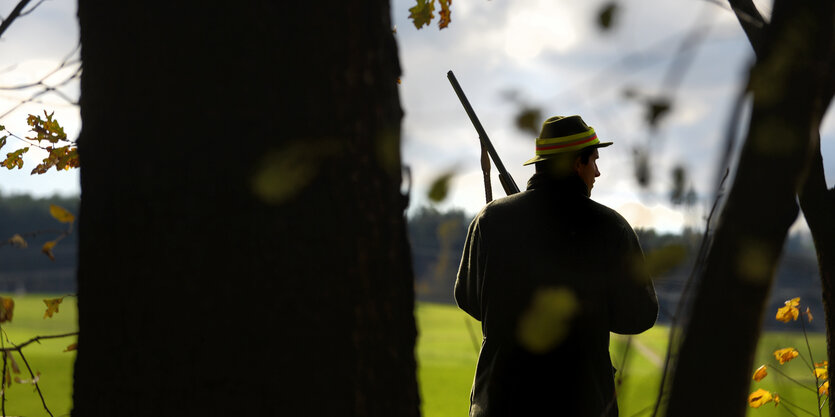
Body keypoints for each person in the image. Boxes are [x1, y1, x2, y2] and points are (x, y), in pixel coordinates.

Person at [455, 115, 659, 416]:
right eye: (594, 161)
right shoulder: (611, 227)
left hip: (500, 403)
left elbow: (469, 299)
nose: (598, 172)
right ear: (577, 163)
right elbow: (639, 315)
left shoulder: (490, 220)